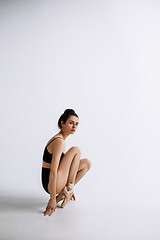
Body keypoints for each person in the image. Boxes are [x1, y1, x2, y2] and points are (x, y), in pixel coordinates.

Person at [41, 109, 91, 216]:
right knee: (76, 150)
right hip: (50, 184)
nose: (74, 127)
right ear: (62, 123)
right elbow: (53, 172)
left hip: (56, 181)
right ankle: (68, 190)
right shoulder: (59, 141)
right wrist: (52, 198)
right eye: (71, 123)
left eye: (76, 124)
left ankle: (67, 191)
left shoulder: (60, 140)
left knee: (86, 163)